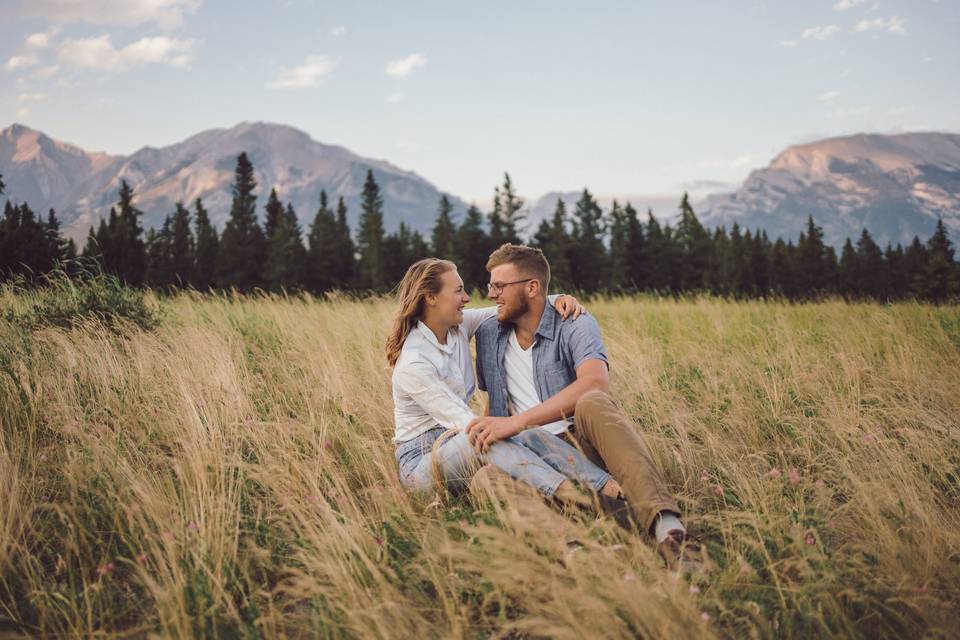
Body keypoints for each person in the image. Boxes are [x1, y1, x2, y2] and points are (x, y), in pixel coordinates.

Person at [467, 243, 704, 572]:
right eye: (491, 285)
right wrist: (497, 431)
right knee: (485, 479)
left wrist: (519, 422)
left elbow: (595, 382)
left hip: (583, 450)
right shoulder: (489, 332)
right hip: (533, 464)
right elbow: (491, 403)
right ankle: (582, 553)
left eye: (499, 285)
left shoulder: (574, 321)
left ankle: (671, 534)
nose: (491, 294)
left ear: (532, 288)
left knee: (592, 401)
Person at [387, 258, 623, 505]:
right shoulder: (414, 364)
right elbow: (470, 429)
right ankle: (573, 495)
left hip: (458, 444)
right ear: (431, 298)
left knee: (530, 434)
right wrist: (510, 425)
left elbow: (518, 305)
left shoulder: (457, 326)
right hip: (423, 465)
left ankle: (610, 488)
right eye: (458, 291)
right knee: (486, 435)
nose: (467, 298)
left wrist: (560, 297)